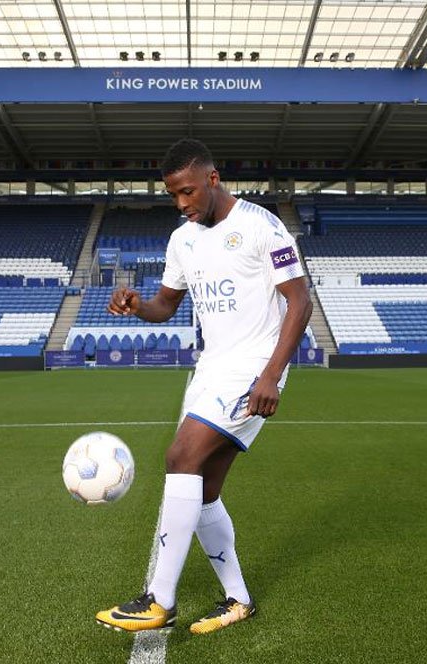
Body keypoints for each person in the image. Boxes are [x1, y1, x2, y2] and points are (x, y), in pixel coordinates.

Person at [96, 138, 312, 635]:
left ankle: (158, 600)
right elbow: (165, 306)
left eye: (188, 192)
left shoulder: (261, 226)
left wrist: (271, 374)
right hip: (211, 369)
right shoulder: (182, 239)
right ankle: (238, 600)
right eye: (173, 195)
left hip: (254, 366)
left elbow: (300, 302)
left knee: (180, 457)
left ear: (213, 179)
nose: (182, 204)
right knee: (204, 490)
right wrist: (136, 307)